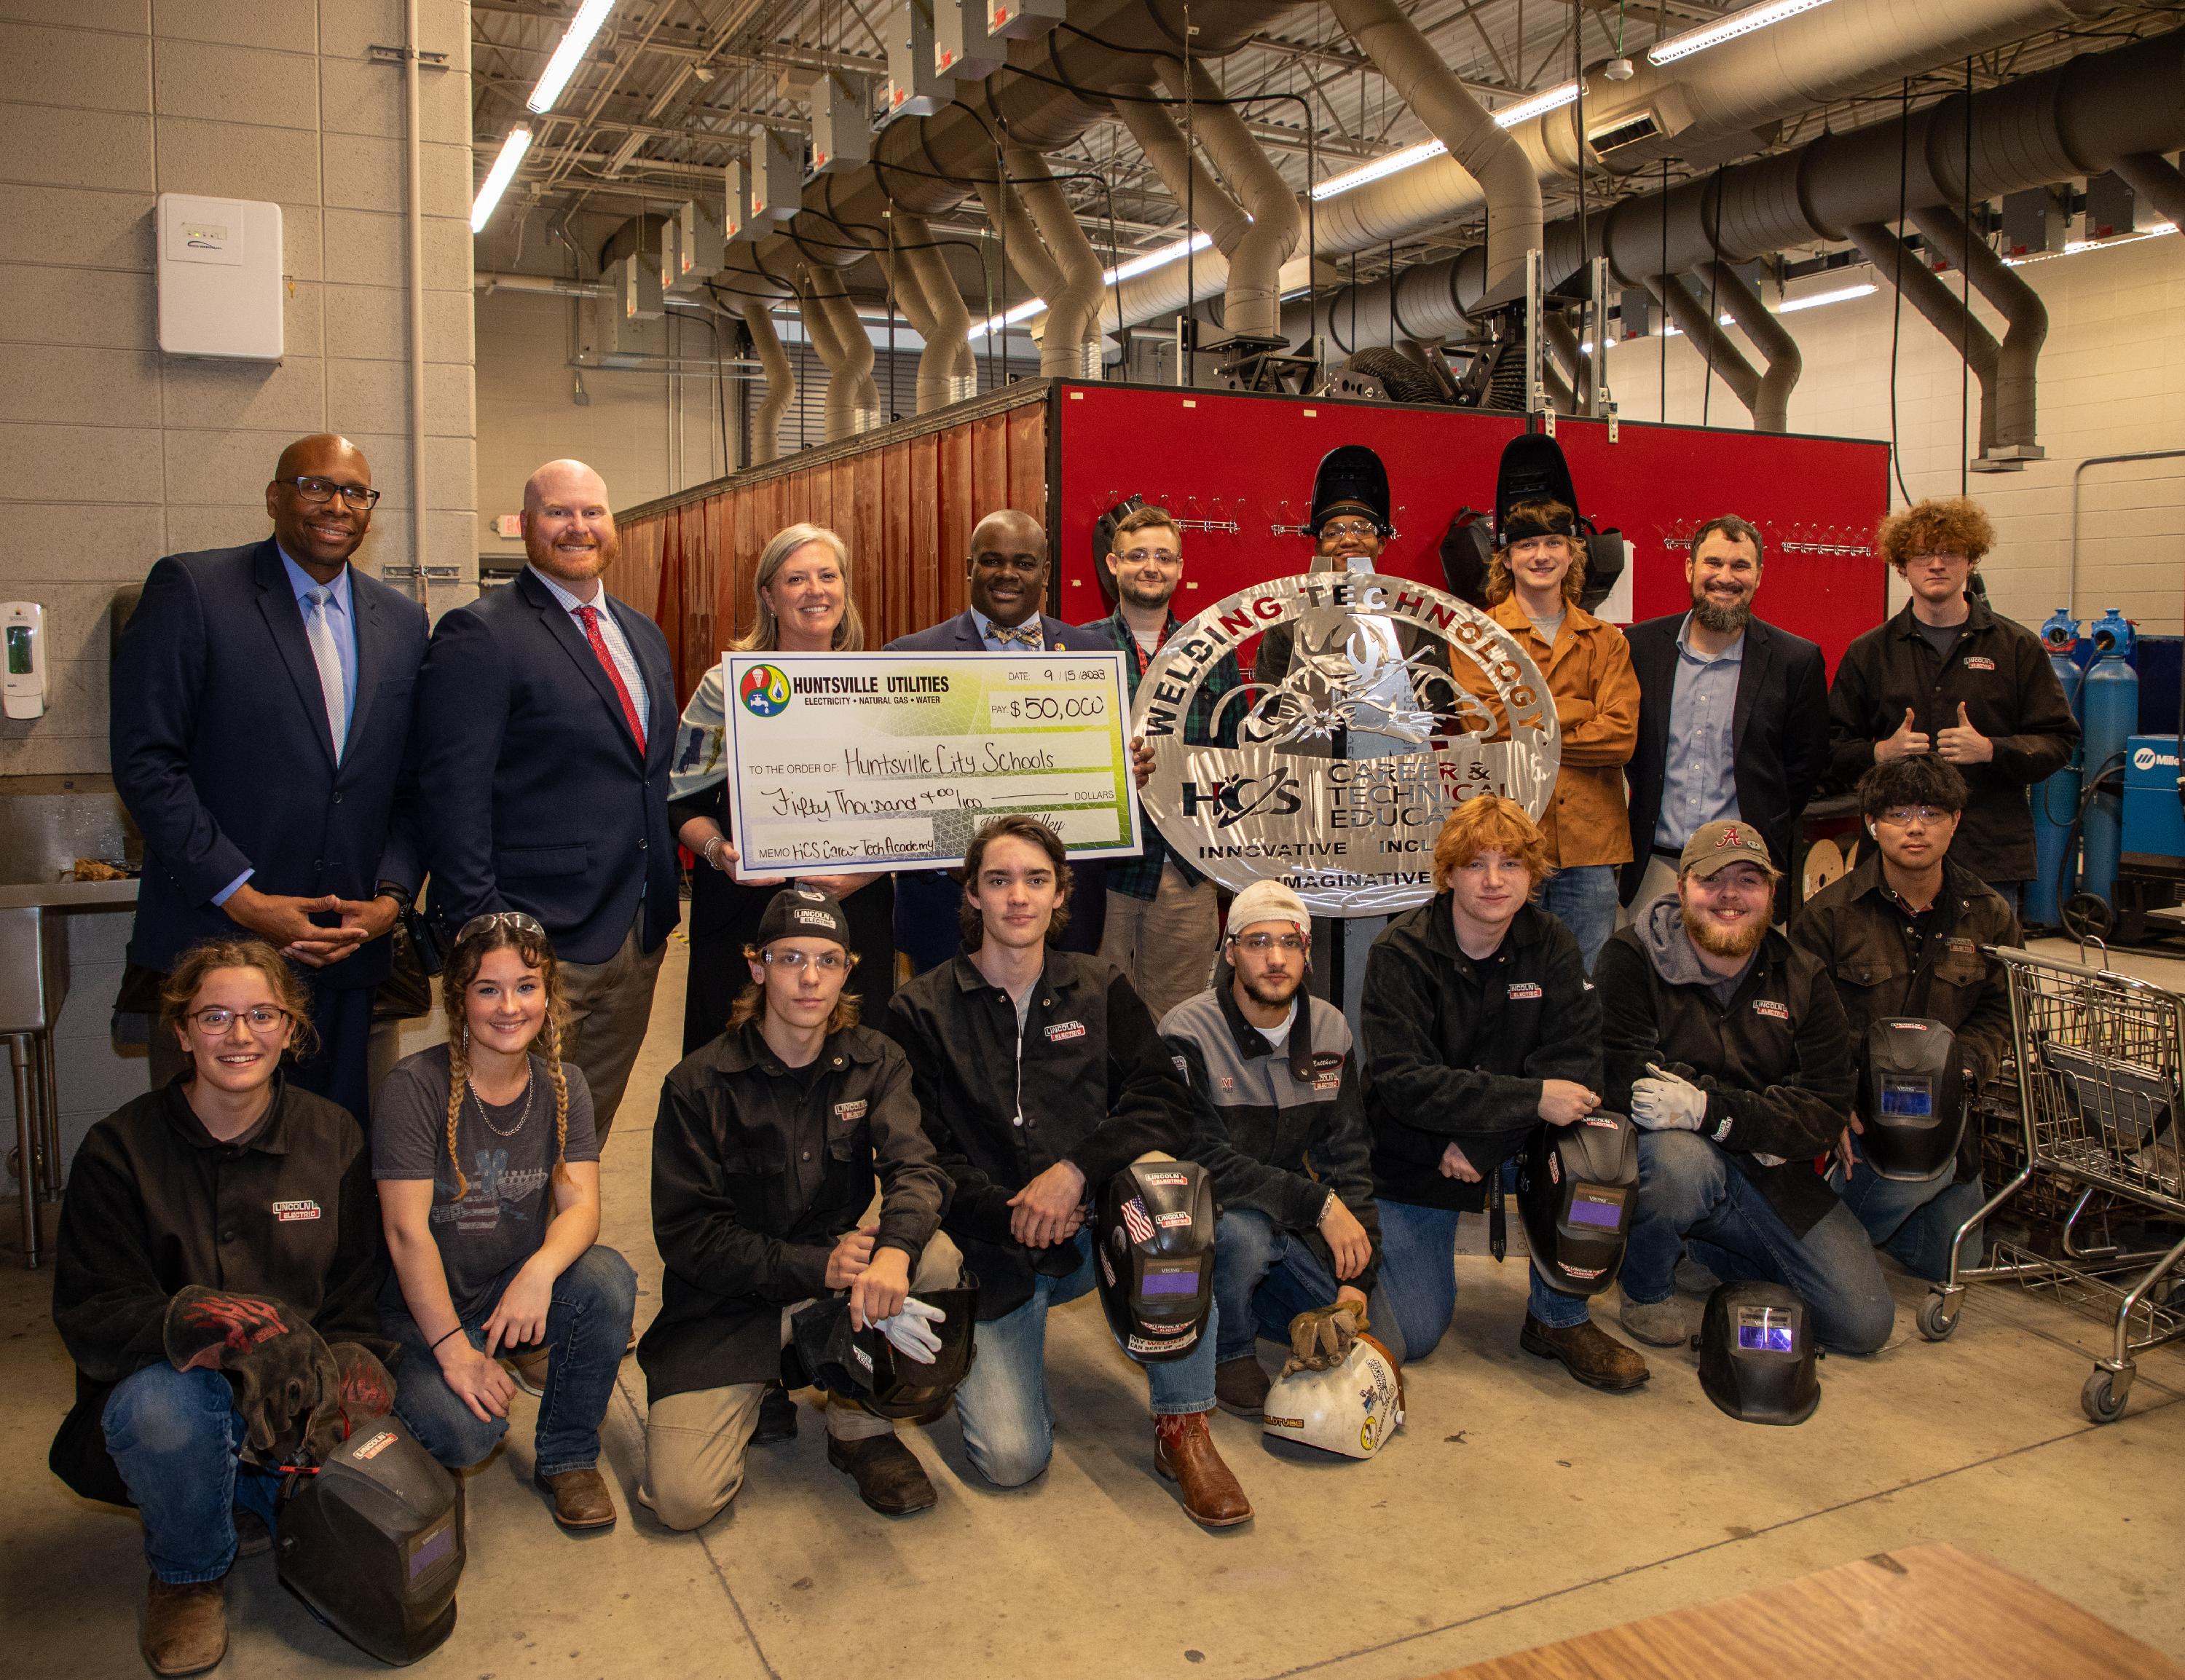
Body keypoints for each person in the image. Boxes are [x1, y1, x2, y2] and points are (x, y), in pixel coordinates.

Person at [886, 815, 1252, 1527]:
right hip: (992, 1250)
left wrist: (1076, 1175)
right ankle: (984, 1351)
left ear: (1061, 897)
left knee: (1167, 1188)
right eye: (999, 881)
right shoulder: (921, 1010)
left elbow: (1162, 1103)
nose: (1017, 897)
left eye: (1035, 880)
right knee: (1013, 1462)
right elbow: (918, 1154)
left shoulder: (1099, 987)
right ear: (972, 897)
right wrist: (1008, 1211)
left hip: (1092, 1236)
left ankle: (1184, 1425)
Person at [50, 940, 393, 1677]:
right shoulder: (119, 1151)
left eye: (261, 1015)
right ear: (181, 1032)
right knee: (164, 1408)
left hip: (295, 1412)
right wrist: (205, 1324)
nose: (240, 1037)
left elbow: (355, 1296)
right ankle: (186, 1574)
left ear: (291, 1028)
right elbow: (91, 1313)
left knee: (420, 1429)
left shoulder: (333, 1138)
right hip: (176, 1406)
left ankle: (253, 1499)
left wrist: (353, 1366)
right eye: (215, 1017)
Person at [110, 433, 428, 1126]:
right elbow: (147, 762)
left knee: (330, 1162)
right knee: (208, 1173)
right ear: (275, 496)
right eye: (316, 486)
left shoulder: (402, 622)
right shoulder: (194, 590)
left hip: (344, 956)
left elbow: (411, 783)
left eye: (354, 492)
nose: (337, 506)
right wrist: (245, 897)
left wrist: (391, 899)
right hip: (218, 951)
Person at [641, 886, 958, 1526]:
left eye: (827, 960)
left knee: (935, 1255)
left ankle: (856, 1423)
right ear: (757, 967)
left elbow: (917, 1171)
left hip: (842, 1293)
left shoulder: (877, 1061)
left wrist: (893, 1253)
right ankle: (763, 1380)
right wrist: (819, 1266)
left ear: (848, 970)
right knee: (682, 1503)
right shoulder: (698, 1084)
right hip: (727, 1309)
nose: (810, 978)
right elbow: (690, 1236)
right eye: (790, 959)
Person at [415, 458, 678, 1145]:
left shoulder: (641, 634)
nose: (577, 527)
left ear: (613, 527)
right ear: (525, 526)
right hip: (535, 945)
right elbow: (451, 796)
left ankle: (568, 1249)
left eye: (592, 512)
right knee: (505, 1141)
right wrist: (486, 937)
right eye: (558, 512)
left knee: (584, 1134)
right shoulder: (482, 633)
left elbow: (649, 776)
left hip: (636, 936)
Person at [1361, 796, 1652, 1392]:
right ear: (1448, 873)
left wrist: (1483, 1140)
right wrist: (1518, 1105)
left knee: (1597, 1142)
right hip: (1420, 1145)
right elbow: (1404, 1081)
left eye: (1511, 864)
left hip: (1501, 1139)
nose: (1494, 881)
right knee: (1413, 1334)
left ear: (1533, 875)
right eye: (1476, 864)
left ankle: (1558, 1317)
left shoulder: (1552, 944)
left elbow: (1576, 1067)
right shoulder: (1400, 952)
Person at [374, 912, 637, 1531]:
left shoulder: (564, 1084)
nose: (509, 1006)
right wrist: (453, 1351)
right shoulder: (415, 1087)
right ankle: (387, 1403)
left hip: (502, 1290)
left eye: (526, 986)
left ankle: (568, 1455)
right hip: (417, 1310)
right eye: (488, 988)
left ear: (549, 995)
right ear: (459, 1001)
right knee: (472, 1433)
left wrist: (538, 1274)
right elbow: (405, 1232)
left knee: (607, 1280)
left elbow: (583, 1208)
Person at [1597, 820, 1894, 1355]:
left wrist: (1711, 1109)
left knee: (1863, 1323)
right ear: (1683, 886)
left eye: (1748, 880)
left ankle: (1709, 1250)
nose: (1730, 895)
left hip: (1771, 1172)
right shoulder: (1631, 957)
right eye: (1713, 879)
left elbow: (1824, 1109)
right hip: (1677, 1157)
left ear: (1772, 894)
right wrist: (1760, 1112)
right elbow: (1631, 1079)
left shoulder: (1804, 976)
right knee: (1678, 1164)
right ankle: (1647, 1287)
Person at [1160, 880, 1399, 1420]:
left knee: (1387, 1342)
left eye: (1290, 942)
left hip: (1289, 1223)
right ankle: (1230, 1347)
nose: (1275, 958)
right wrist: (1319, 1206)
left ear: (1307, 954)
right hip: (1217, 1215)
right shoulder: (1187, 1030)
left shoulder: (1330, 1028)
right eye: (1256, 941)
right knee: (1241, 1230)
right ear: (1230, 953)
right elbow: (1202, 1161)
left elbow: (1349, 1156)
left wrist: (1355, 1282)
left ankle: (1251, 1300)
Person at [667, 523, 896, 1054]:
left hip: (853, 911)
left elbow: (912, 813)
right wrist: (716, 851)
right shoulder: (727, 688)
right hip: (747, 915)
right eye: (796, 578)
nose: (815, 590)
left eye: (827, 575)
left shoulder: (880, 687)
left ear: (845, 589)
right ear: (769, 596)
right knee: (737, 1080)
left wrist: (863, 872)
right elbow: (682, 802)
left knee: (853, 1077)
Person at [1791, 757, 2018, 1281]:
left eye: (1931, 812)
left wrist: (1961, 1074)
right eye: (1897, 813)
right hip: (1863, 1112)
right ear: (1872, 823)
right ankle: (1813, 1234)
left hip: (1947, 1113)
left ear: (1956, 820)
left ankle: (1856, 1228)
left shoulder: (1989, 914)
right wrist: (1836, 1097)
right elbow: (1803, 1021)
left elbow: (2002, 1009)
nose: (1915, 827)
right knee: (1901, 1172)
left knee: (1953, 1261)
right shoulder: (1827, 916)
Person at [883, 509, 1108, 972]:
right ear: (969, 567)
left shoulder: (1093, 658)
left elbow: (1105, 768)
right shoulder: (910, 658)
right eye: (991, 560)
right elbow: (892, 786)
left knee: (1059, 1041)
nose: (1007, 574)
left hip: (1062, 914)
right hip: (946, 909)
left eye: (1024, 563)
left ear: (1045, 573)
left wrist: (1125, 772)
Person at [1827, 496, 2078, 904]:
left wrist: (1991, 750)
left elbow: (2059, 740)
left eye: (1949, 553)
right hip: (1893, 858)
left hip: (1988, 856)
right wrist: (1879, 752)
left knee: (1985, 967)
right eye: (1922, 554)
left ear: (1971, 561)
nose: (1937, 564)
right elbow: (1828, 747)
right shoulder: (1870, 653)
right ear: (1902, 566)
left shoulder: (2016, 648)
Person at [1622, 515, 1830, 915]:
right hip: (1656, 868)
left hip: (1747, 874)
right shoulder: (1639, 648)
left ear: (1759, 575)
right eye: (1713, 563)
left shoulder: (1796, 661)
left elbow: (1805, 768)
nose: (1725, 577)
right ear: (1690, 569)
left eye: (1740, 566)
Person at [1090, 503, 1243, 1022]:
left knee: (1179, 1018)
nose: (1150, 566)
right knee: (1096, 1011)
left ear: (1179, 568)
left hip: (1184, 868)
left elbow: (1235, 756)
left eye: (1162, 556)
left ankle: (1172, 1104)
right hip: (1102, 868)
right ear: (1113, 564)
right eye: (1137, 556)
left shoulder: (1212, 651)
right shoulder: (1079, 648)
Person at [1474, 497, 1639, 969]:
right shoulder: (1479, 635)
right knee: (1502, 986)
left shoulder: (1606, 641)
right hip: (1504, 845)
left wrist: (1531, 714)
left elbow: (1620, 738)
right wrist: (1581, 709)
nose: (1541, 555)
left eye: (1553, 543)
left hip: (1590, 850)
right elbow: (1488, 729)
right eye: (1527, 545)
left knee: (1582, 990)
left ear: (1572, 554)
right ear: (1506, 557)